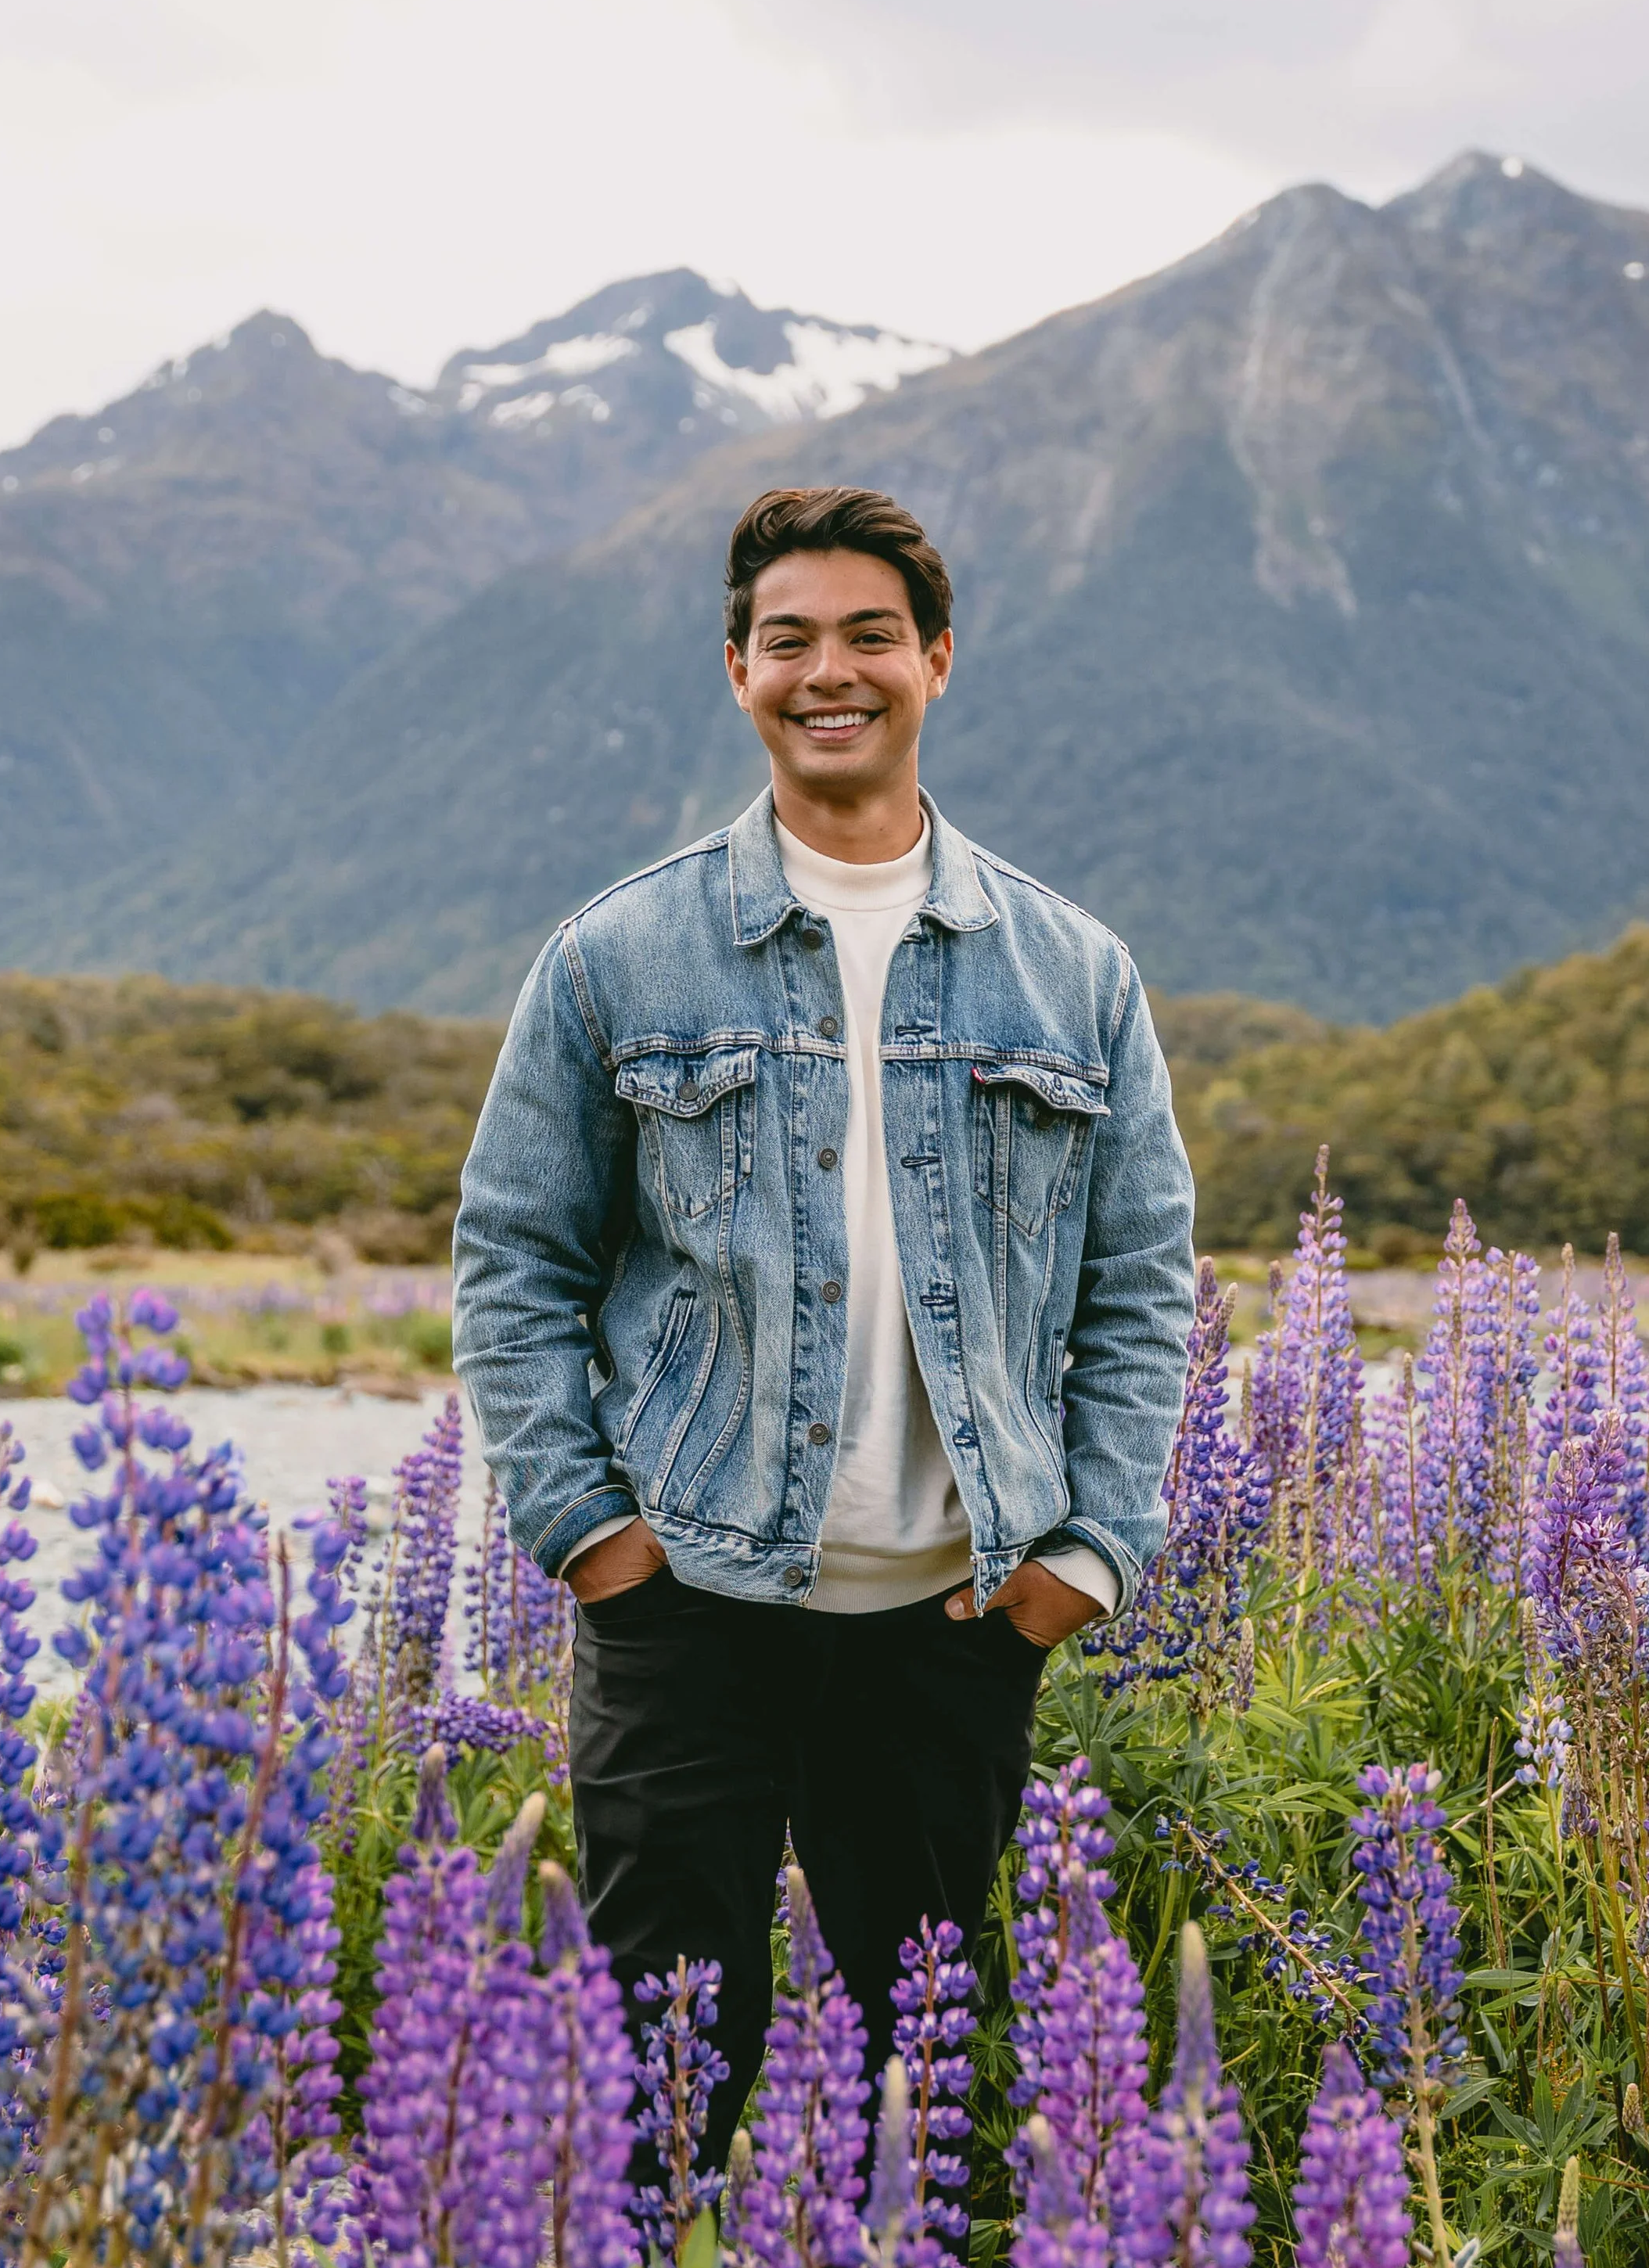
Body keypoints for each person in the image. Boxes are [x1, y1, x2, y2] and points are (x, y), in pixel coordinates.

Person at [453, 484, 1196, 2152]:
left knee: (915, 2090)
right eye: (787, 638)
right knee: (653, 2067)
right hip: (685, 1602)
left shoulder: (1073, 970)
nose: (827, 670)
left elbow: (1143, 1288)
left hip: (950, 1613)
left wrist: (1080, 1560)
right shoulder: (615, 956)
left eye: (869, 635)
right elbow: (511, 1261)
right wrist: (591, 1538)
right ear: (736, 670)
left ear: (936, 660)